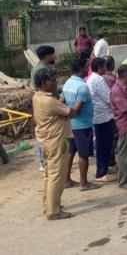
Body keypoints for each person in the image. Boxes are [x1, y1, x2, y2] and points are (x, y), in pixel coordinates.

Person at [33, 68, 79, 220]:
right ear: (44, 83)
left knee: (49, 174)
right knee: (56, 176)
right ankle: (53, 211)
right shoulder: (49, 101)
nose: (55, 83)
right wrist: (77, 103)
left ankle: (50, 205)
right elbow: (71, 112)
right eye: (52, 81)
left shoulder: (38, 97)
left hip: (47, 139)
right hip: (55, 140)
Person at [62, 59, 100, 192]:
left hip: (71, 125)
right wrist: (70, 113)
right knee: (83, 154)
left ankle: (66, 180)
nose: (86, 69)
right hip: (82, 125)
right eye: (85, 67)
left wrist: (65, 116)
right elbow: (76, 109)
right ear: (80, 69)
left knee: (71, 152)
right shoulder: (82, 87)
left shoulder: (67, 83)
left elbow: (61, 100)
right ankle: (83, 183)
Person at [86, 58, 116, 182]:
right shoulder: (96, 80)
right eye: (104, 66)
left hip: (103, 116)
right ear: (99, 68)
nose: (106, 68)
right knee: (102, 145)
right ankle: (100, 173)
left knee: (106, 144)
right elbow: (109, 98)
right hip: (102, 117)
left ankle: (105, 167)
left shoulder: (95, 79)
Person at [31, 45, 56, 171]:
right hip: (44, 101)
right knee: (43, 130)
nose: (54, 56)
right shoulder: (40, 69)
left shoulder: (43, 67)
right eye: (52, 54)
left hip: (46, 100)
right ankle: (42, 161)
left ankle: (46, 159)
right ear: (47, 56)